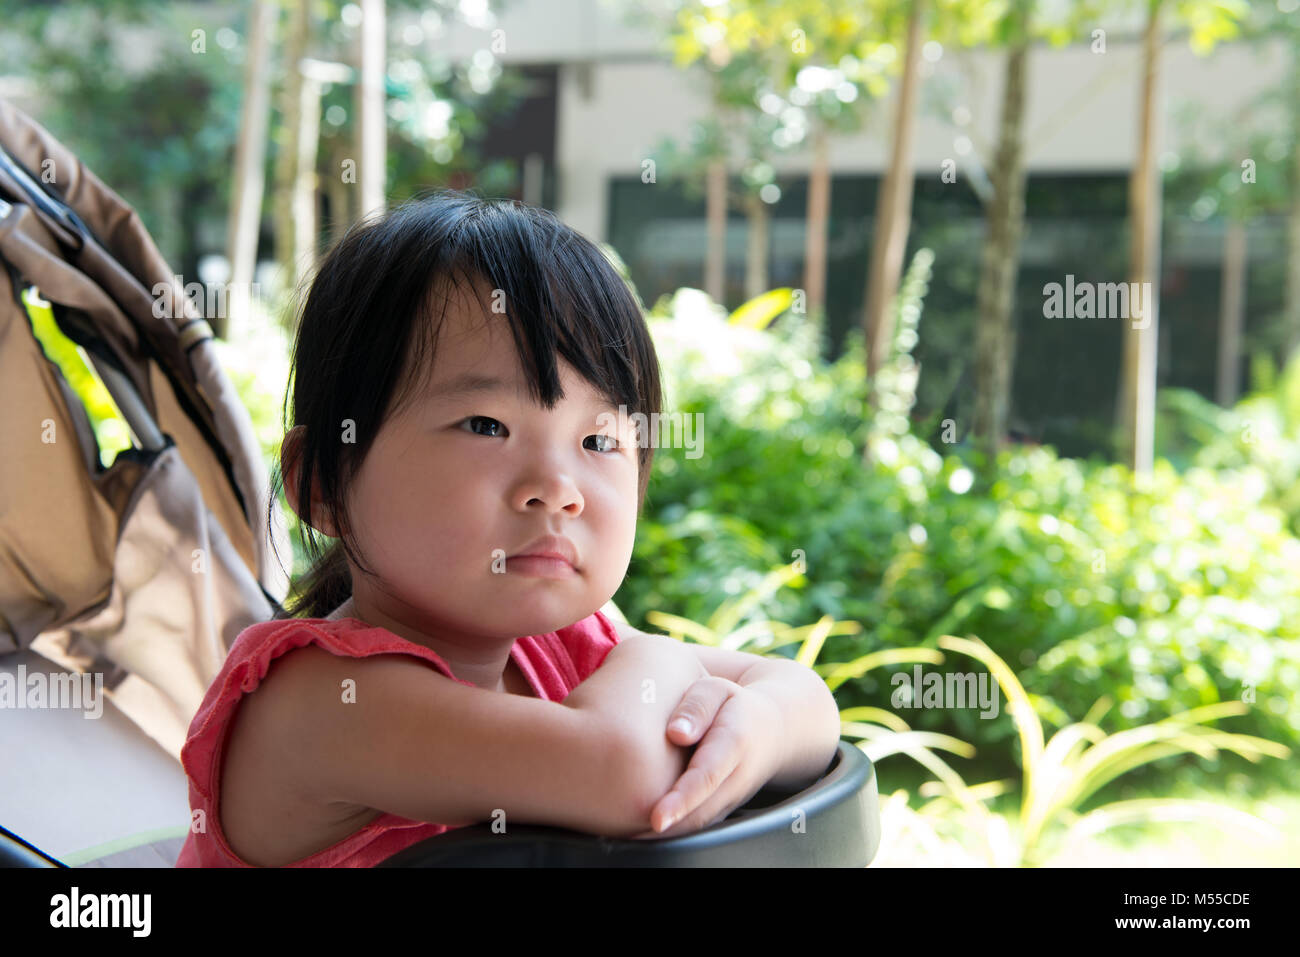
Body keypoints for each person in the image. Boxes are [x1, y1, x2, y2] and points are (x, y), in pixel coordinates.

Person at [175, 191, 841, 867]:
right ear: (324, 487)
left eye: (598, 439)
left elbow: (806, 699)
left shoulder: (561, 647)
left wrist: (758, 724)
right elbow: (629, 778)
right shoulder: (325, 702)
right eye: (487, 426)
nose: (557, 488)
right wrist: (665, 659)